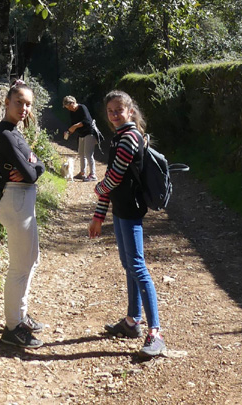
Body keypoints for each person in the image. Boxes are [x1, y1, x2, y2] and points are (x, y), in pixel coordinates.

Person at [88, 90, 166, 358]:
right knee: (129, 264)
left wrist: (98, 188)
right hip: (121, 210)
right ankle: (132, 321)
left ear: (130, 111)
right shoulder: (119, 136)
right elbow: (111, 182)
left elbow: (113, 178)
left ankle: (156, 333)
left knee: (137, 267)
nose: (114, 115)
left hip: (130, 210)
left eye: (118, 110)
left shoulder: (130, 137)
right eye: (110, 111)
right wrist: (99, 216)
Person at [0, 80, 46, 349]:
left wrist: (34, 166)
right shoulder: (5, 134)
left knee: (30, 261)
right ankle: (12, 327)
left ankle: (21, 316)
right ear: (7, 102)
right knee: (20, 266)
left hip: (23, 200)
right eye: (19, 102)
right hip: (16, 201)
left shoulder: (15, 131)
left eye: (28, 104)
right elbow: (31, 173)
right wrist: (33, 166)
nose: (24, 108)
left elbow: (39, 167)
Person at [63, 95, 97, 181]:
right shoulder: (72, 112)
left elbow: (87, 121)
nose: (69, 109)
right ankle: (82, 173)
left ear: (73, 103)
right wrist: (68, 132)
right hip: (81, 134)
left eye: (69, 107)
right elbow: (72, 125)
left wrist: (75, 126)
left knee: (88, 154)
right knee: (81, 154)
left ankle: (93, 174)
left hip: (90, 132)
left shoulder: (82, 108)